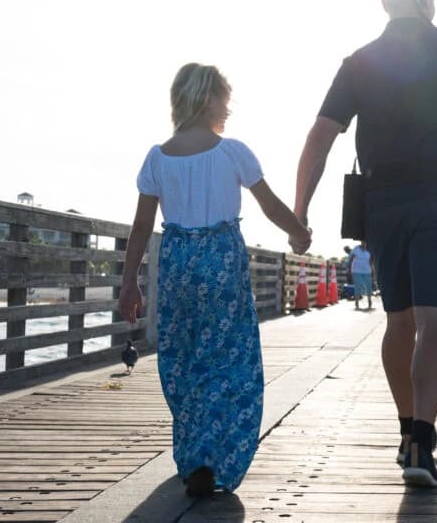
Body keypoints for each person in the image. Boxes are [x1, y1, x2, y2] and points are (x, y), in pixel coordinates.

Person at [293, 0, 437, 488]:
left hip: (383, 205)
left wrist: (300, 212)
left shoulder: (359, 61)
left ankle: (406, 430)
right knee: (436, 321)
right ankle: (423, 444)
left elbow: (320, 136)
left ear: (384, 4)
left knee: (398, 321)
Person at [118, 63, 311, 498]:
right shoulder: (231, 152)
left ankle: (194, 455)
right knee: (229, 359)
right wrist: (298, 232)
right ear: (208, 100)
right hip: (221, 261)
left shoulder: (157, 157)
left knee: (182, 357)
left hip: (178, 262)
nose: (228, 107)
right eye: (224, 98)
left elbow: (141, 225)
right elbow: (270, 205)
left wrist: (130, 282)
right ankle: (217, 456)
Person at [351, 241, 374, 310]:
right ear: (361, 242)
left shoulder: (370, 249)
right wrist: (350, 269)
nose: (364, 243)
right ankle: (357, 302)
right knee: (358, 286)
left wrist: (373, 271)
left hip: (367, 271)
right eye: (363, 241)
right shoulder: (356, 248)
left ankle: (369, 301)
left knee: (369, 287)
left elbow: (371, 261)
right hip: (356, 270)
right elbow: (351, 259)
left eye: (365, 241)